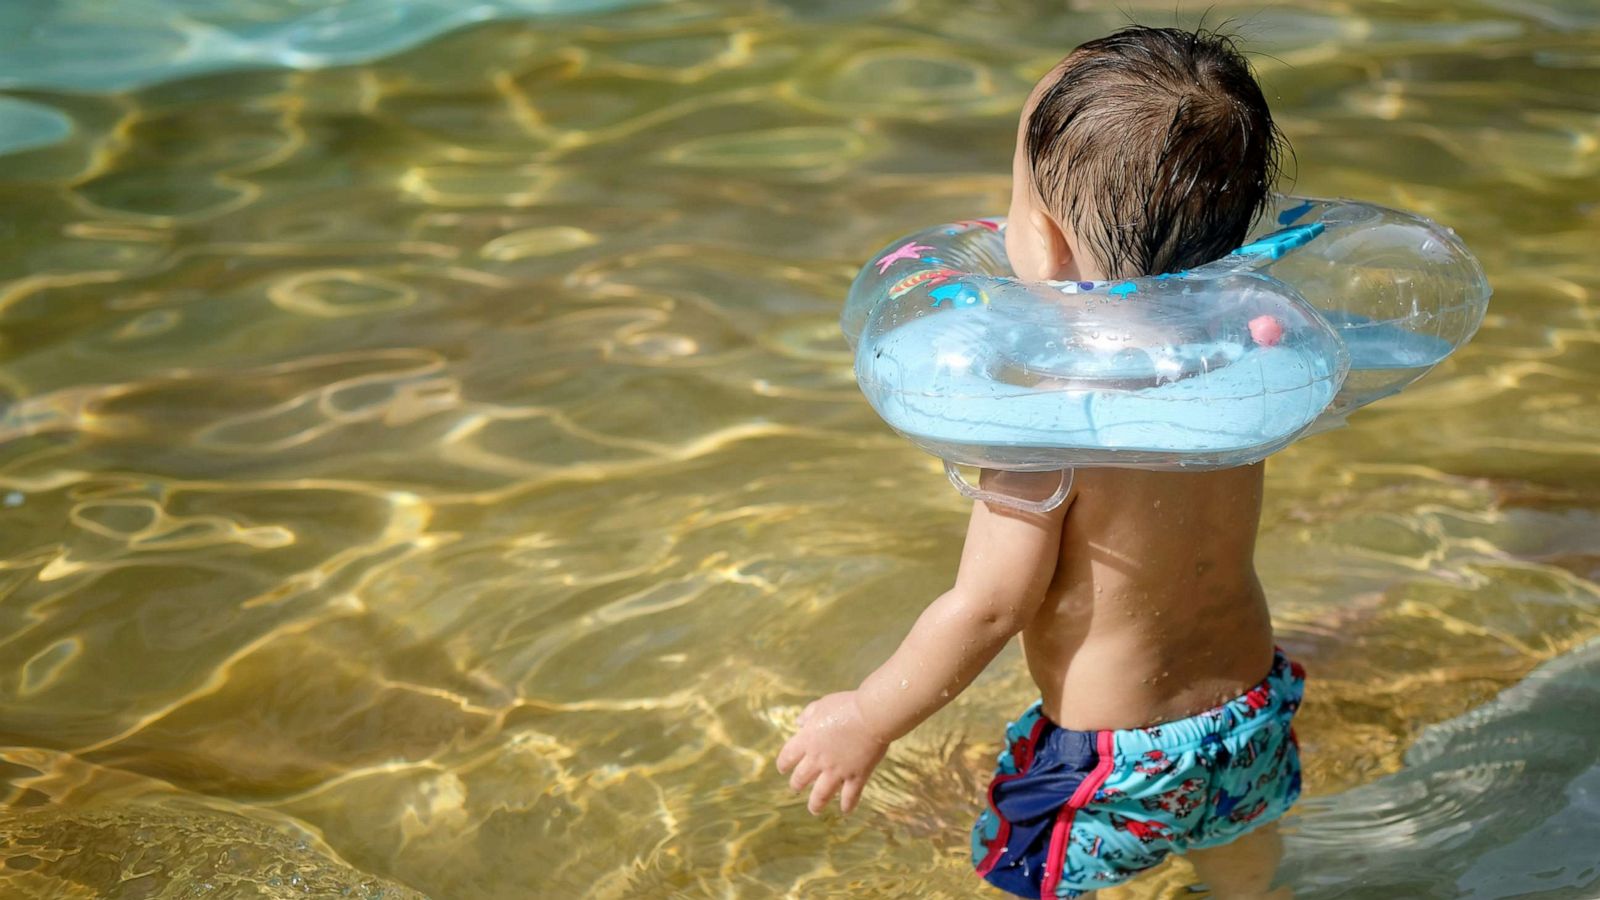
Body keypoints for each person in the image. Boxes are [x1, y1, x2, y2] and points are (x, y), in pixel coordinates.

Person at [777, 26, 1304, 900]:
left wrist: (866, 718)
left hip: (1111, 757)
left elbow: (986, 609)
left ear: (1048, 240)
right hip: (1249, 710)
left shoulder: (1048, 416)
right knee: (1243, 861)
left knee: (1022, 878)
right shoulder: (1243, 363)